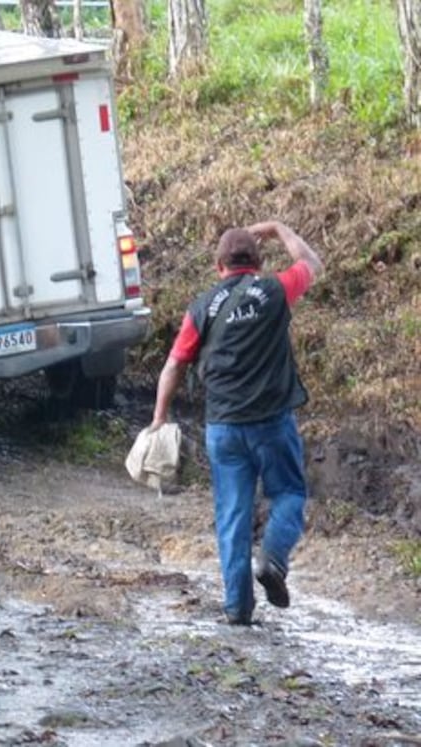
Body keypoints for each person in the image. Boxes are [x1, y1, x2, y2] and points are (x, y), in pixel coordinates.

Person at [150, 220, 323, 626]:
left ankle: (238, 609)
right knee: (289, 494)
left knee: (232, 516)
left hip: (223, 429)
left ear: (218, 266)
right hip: (272, 423)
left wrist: (159, 417)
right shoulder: (274, 291)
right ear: (258, 263)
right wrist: (281, 229)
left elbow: (174, 364)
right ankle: (274, 560)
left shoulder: (202, 308)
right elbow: (311, 262)